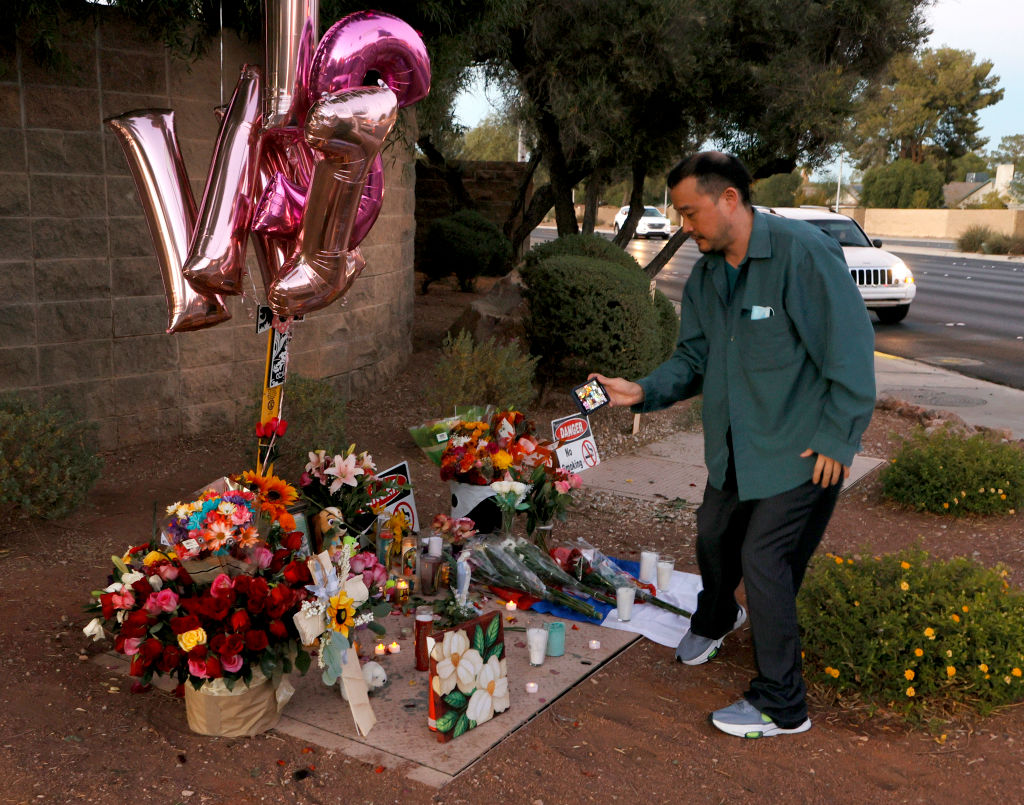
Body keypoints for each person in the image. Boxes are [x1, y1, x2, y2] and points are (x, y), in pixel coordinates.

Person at [591, 151, 875, 739]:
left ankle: (783, 704)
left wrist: (837, 438)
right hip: (735, 448)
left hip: (801, 450)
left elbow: (848, 351)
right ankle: (719, 617)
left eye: (691, 213)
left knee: (765, 560)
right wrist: (642, 390)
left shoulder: (802, 255)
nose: (685, 227)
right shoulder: (708, 274)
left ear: (729, 200)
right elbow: (695, 359)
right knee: (714, 539)